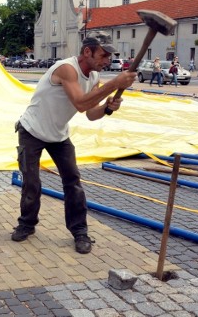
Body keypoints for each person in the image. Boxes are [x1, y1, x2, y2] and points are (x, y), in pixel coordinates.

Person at [12, 31, 136, 254]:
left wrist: (107, 108)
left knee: (73, 182)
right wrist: (116, 82)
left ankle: (80, 231)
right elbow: (80, 103)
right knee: (32, 182)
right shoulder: (66, 69)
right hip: (31, 131)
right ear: (87, 52)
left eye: (110, 55)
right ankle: (26, 224)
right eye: (103, 54)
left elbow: (90, 113)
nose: (107, 60)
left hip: (58, 135)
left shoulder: (94, 78)